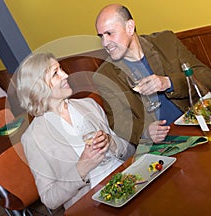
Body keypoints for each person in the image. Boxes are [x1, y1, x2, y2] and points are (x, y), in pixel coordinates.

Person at [16, 53, 135, 210]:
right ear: (39, 87)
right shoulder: (33, 138)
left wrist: (111, 142)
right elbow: (50, 200)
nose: (66, 75)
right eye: (55, 73)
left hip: (127, 178)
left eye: (61, 69)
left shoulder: (89, 105)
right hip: (94, 202)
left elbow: (130, 152)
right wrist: (81, 169)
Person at [93, 4, 211, 145]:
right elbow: (119, 123)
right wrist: (145, 132)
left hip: (200, 125)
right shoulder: (104, 75)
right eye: (101, 36)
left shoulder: (166, 42)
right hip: (164, 146)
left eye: (109, 33)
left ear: (129, 27)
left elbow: (208, 78)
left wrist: (168, 83)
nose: (105, 43)